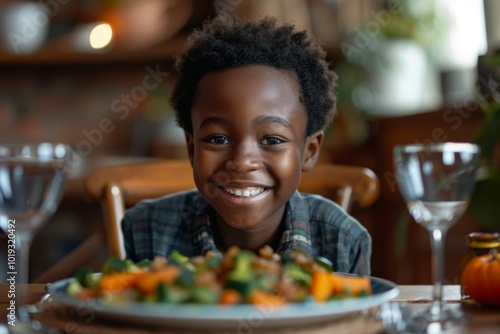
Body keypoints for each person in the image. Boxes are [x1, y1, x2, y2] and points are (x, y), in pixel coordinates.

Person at [122, 15, 372, 275]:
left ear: (309, 152)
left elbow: (357, 316)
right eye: (218, 139)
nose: (242, 162)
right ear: (192, 148)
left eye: (272, 140)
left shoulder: (342, 240)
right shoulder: (145, 230)